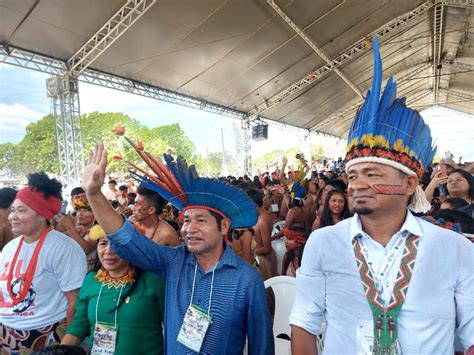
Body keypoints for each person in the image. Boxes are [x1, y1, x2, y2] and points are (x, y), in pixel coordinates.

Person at [289, 37, 474, 354]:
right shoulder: (324, 242)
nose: (357, 184)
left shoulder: (452, 247)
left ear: (409, 183)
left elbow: (469, 335)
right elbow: (304, 323)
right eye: (352, 175)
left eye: (372, 173)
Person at [81, 136, 274, 354]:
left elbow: (262, 345)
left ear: (224, 226)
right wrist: (94, 194)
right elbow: (126, 239)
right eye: (187, 220)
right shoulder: (173, 262)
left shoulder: (247, 279)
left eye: (201, 220)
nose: (189, 229)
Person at [0, 173, 86, 353]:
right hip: (5, 333)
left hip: (45, 335)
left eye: (22, 210)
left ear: (42, 215)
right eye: (13, 210)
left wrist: (65, 347)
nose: (13, 216)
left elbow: (75, 303)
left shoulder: (64, 248)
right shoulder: (10, 247)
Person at [62, 226, 165, 354]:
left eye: (117, 244)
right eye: (103, 243)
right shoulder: (91, 280)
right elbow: (78, 326)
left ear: (132, 248)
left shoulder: (153, 280)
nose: (109, 250)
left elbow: (172, 324)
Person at [58, 188, 98, 271]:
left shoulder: (98, 230)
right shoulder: (78, 229)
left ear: (96, 213)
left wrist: (70, 227)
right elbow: (58, 239)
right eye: (79, 210)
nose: (80, 214)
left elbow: (85, 249)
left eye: (86, 210)